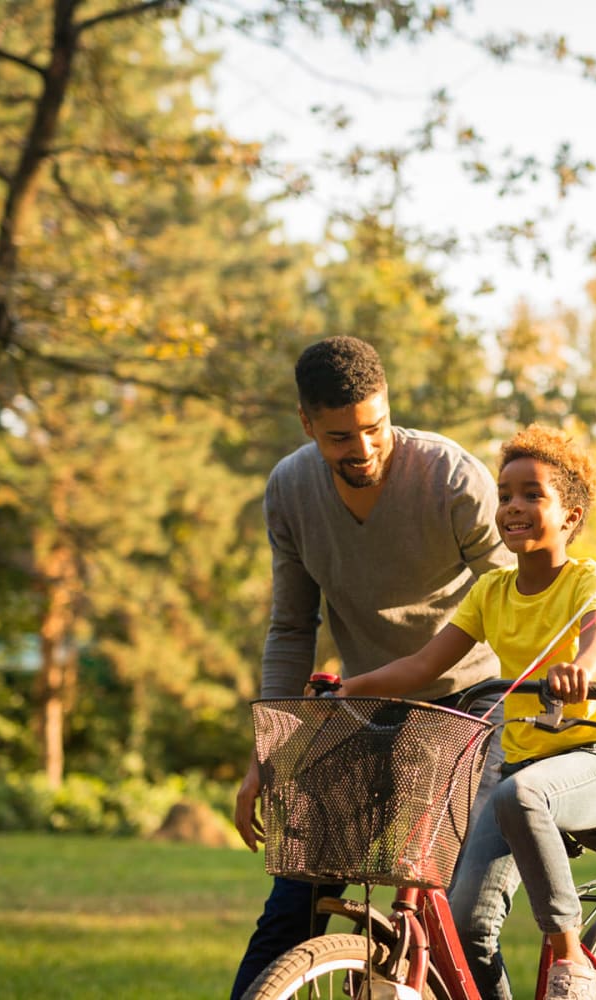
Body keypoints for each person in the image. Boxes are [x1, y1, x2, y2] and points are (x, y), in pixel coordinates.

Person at [230, 335, 514, 1000]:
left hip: (472, 701)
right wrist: (270, 753)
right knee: (294, 902)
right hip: (366, 702)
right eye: (338, 437)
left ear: (389, 406)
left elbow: (512, 598)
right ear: (306, 423)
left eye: (374, 427)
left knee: (462, 912)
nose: (361, 449)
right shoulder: (290, 492)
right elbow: (293, 628)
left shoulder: (450, 477)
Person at [340, 424, 596, 1000]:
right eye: (505, 495)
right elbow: (423, 666)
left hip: (594, 764)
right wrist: (351, 688)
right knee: (466, 925)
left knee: (517, 796)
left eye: (532, 494)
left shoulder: (588, 579)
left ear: (571, 517)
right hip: (519, 777)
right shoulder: (492, 591)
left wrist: (582, 669)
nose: (513, 506)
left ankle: (570, 964)